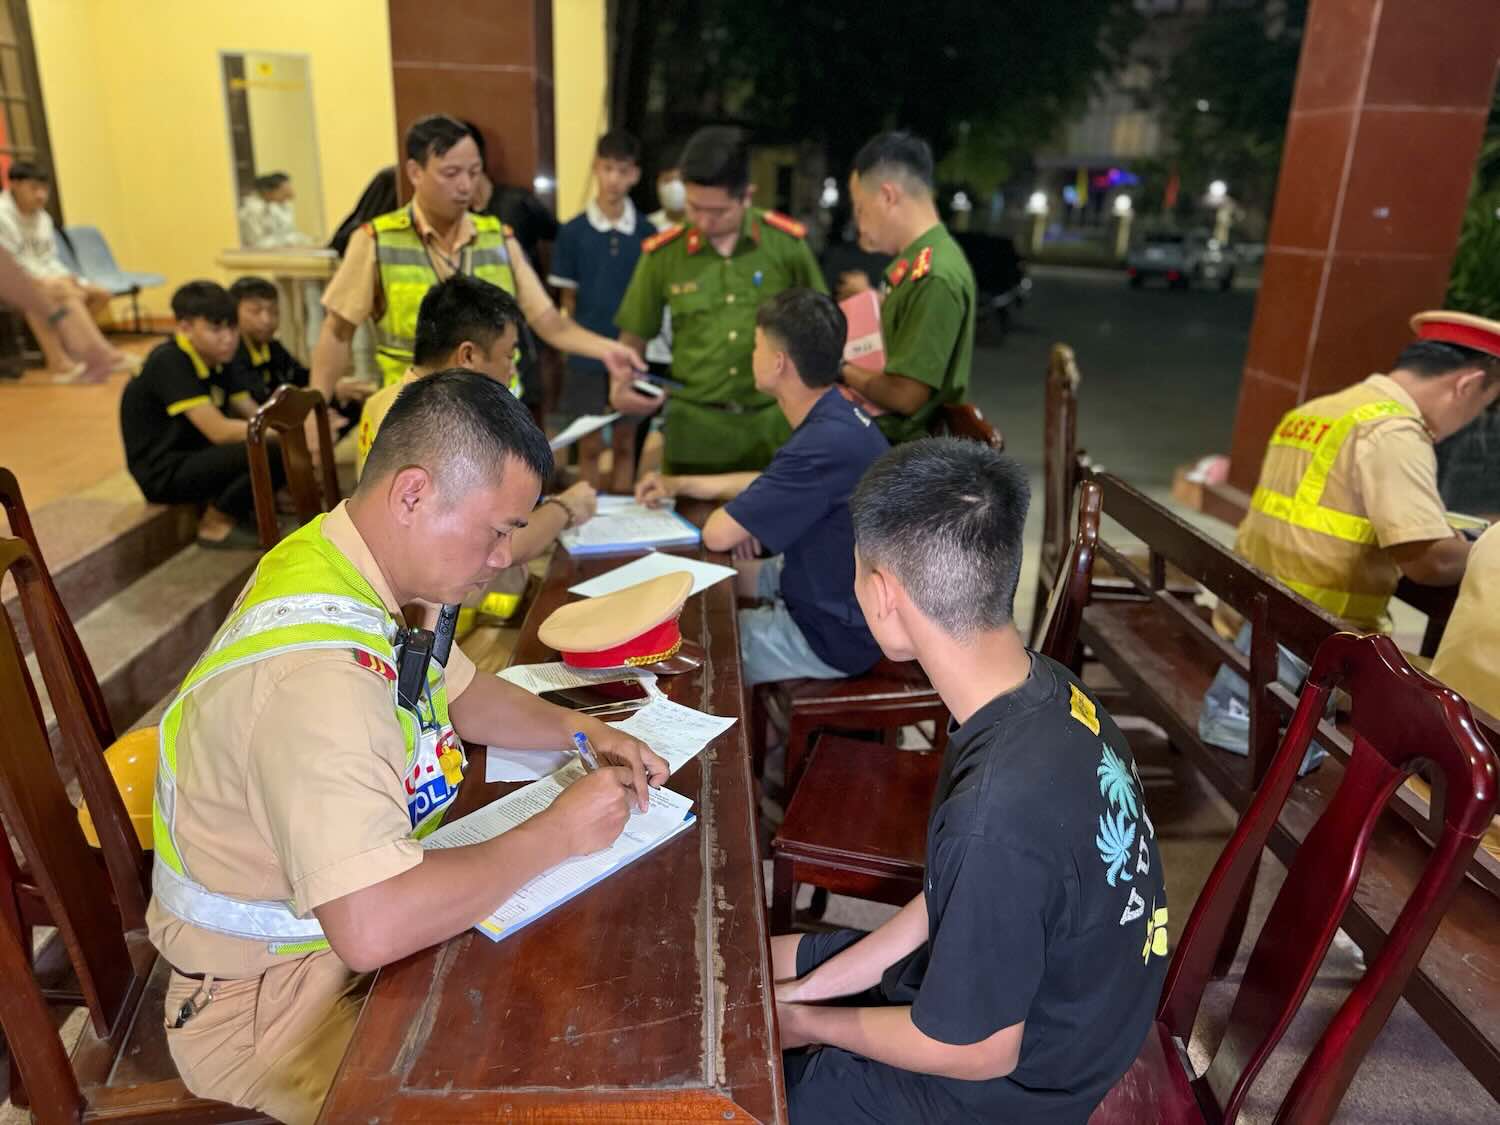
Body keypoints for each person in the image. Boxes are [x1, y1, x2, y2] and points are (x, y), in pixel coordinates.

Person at [147, 369, 668, 1124]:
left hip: (326, 954)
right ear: (415, 493)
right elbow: (373, 927)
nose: (501, 558)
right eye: (497, 531)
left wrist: (580, 730)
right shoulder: (316, 682)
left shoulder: (348, 562)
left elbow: (459, 691)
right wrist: (557, 831)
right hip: (271, 1010)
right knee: (542, 1075)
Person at [773, 438, 1167, 1123]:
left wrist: (812, 1024)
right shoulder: (1044, 687)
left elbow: (979, 1049)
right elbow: (949, 898)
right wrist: (817, 985)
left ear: (884, 594)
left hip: (1019, 1079)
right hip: (1056, 998)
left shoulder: (996, 814)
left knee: (773, 1088)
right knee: (761, 961)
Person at [1199, 310, 1500, 758]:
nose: (1473, 419)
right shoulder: (1393, 433)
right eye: (1485, 405)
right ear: (1466, 385)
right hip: (1311, 653)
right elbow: (1430, 563)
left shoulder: (1320, 410)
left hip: (1250, 623)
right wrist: (1486, 547)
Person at [635, 289, 885, 685]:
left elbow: (718, 534)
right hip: (824, 583)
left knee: (692, 651)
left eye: (755, 346)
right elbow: (777, 483)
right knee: (696, 590)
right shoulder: (836, 414)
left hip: (831, 631)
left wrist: (743, 517)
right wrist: (682, 483)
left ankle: (725, 745)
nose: (751, 355)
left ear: (779, 362)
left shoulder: (823, 442)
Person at [311, 114, 641, 402]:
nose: (465, 186)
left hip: (494, 421)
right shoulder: (377, 241)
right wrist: (316, 409)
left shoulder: (499, 238)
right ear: (415, 172)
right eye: (451, 173)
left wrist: (610, 351)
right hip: (412, 420)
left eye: (474, 172)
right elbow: (337, 332)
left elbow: (550, 324)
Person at [611, 125, 828, 474]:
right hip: (693, 435)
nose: (702, 221)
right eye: (694, 208)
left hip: (773, 433)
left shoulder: (785, 247)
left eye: (718, 211)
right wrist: (621, 386)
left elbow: (821, 333)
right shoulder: (664, 255)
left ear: (747, 196)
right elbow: (632, 338)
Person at [355, 273, 597, 565]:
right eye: (509, 355)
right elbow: (490, 550)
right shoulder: (441, 426)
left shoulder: (383, 399)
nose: (512, 372)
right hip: (448, 597)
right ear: (467, 356)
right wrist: (565, 509)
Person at [841, 131, 976, 444]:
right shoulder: (923, 262)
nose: (859, 224)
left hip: (896, 457)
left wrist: (840, 369)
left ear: (888, 196)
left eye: (861, 208)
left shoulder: (934, 275)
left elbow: (905, 396)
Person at [118, 281, 272, 549]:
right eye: (215, 329)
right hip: (163, 471)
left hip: (196, 454)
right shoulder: (169, 361)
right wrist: (284, 430)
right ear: (185, 328)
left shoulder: (221, 359)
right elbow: (219, 430)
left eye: (232, 328)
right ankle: (215, 524)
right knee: (268, 446)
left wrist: (292, 424)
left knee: (273, 440)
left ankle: (255, 508)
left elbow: (254, 412)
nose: (227, 337)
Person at [547, 130, 655, 417]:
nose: (614, 179)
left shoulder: (648, 234)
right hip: (585, 356)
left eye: (622, 171)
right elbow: (567, 299)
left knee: (624, 443)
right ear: (596, 168)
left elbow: (650, 301)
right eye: (607, 168)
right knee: (588, 444)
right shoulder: (573, 231)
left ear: (635, 174)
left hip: (632, 355)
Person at [0, 162, 132, 378]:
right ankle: (64, 362)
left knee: (98, 293)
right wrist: (44, 282)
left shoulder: (42, 218)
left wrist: (70, 278)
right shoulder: (2, 216)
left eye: (44, 189)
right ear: (14, 184)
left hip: (41, 278)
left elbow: (48, 258)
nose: (41, 195)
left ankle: (77, 350)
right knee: (50, 293)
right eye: (34, 188)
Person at [0, 241, 118, 382]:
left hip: (46, 277)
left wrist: (65, 278)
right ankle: (60, 362)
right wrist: (41, 282)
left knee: (96, 293)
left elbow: (48, 259)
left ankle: (86, 348)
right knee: (46, 296)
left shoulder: (43, 221)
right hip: (25, 282)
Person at [227, 276, 309, 402]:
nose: (267, 320)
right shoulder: (231, 353)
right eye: (255, 311)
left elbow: (302, 377)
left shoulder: (272, 347)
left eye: (273, 311)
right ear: (233, 312)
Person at [237, 173, 312, 249]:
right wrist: (289, 241)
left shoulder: (270, 206)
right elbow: (256, 243)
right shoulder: (251, 210)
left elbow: (282, 232)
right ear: (267, 191)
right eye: (283, 191)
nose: (288, 194)